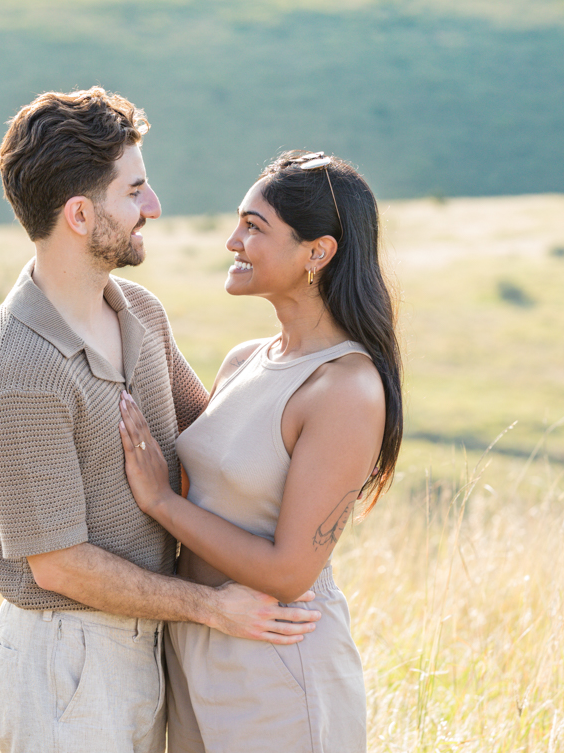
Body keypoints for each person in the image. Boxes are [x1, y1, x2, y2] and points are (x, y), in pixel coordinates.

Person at [0, 89, 321, 753]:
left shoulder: (138, 312)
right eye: (134, 192)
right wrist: (210, 607)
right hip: (66, 661)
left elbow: (209, 437)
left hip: (148, 636)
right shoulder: (19, 371)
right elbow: (61, 567)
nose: (152, 207)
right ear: (78, 214)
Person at [118, 150, 403, 753]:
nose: (232, 241)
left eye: (254, 227)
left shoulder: (344, 387)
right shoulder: (244, 360)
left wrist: (162, 503)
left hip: (278, 659)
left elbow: (290, 571)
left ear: (316, 253)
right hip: (198, 641)